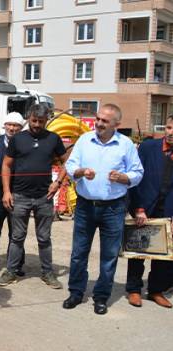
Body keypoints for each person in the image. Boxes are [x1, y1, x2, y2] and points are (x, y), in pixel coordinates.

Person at [63, 103, 143, 315]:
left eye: (104, 121)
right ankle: (76, 292)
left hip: (113, 208)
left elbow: (138, 172)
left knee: (109, 255)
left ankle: (101, 296)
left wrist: (125, 178)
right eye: (98, 119)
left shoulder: (125, 144)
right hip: (85, 206)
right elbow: (70, 166)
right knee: (79, 252)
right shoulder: (84, 140)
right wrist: (79, 172)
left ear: (117, 124)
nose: (98, 123)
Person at [0, 104, 68, 289]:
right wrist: (6, 191)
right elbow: (6, 165)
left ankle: (47, 272)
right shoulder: (18, 139)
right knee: (17, 237)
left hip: (44, 197)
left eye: (41, 121)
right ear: (29, 119)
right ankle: (11, 271)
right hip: (20, 196)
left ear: (46, 121)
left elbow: (68, 162)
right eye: (34, 120)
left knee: (44, 238)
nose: (36, 124)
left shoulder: (53, 139)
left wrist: (58, 182)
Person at [125, 115, 173, 308]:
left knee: (164, 254)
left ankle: (156, 290)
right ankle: (134, 289)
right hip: (144, 208)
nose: (171, 132)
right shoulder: (148, 147)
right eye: (169, 128)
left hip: (168, 210)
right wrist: (138, 208)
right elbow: (135, 179)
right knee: (138, 250)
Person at [0, 112, 25, 276]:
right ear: (4, 125)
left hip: (18, 194)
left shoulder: (25, 144)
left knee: (17, 233)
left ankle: (15, 264)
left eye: (16, 125)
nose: (12, 128)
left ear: (21, 128)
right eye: (9, 124)